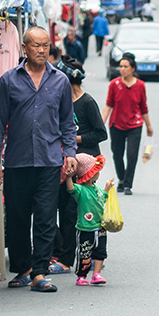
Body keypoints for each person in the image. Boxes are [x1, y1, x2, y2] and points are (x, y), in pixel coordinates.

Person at [0, 26, 77, 293]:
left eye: (45, 45)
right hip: (17, 160)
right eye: (36, 45)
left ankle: (39, 273)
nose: (41, 50)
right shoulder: (8, 80)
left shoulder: (60, 80)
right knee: (17, 217)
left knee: (46, 218)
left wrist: (70, 153)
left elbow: (67, 122)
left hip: (50, 160)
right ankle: (23, 269)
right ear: (24, 48)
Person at [53, 70, 108, 275]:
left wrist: (72, 138)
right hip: (64, 166)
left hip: (84, 167)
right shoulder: (61, 103)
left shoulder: (87, 102)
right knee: (63, 210)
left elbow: (101, 133)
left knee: (75, 213)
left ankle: (73, 258)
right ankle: (74, 254)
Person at [104, 54, 152, 194]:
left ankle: (127, 184)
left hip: (135, 125)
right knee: (117, 155)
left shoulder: (140, 85)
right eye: (121, 66)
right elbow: (109, 105)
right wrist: (101, 123)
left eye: (126, 66)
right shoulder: (114, 84)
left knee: (132, 155)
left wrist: (149, 126)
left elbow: (144, 107)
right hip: (116, 124)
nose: (122, 69)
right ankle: (121, 178)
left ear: (133, 68)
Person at [65, 154, 110, 286]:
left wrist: (107, 188)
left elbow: (103, 198)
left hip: (100, 227)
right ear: (89, 174)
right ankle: (81, 276)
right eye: (96, 171)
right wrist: (68, 177)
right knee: (84, 253)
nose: (98, 173)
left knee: (100, 251)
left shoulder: (97, 189)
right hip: (85, 228)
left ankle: (96, 274)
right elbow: (71, 188)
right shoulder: (81, 190)